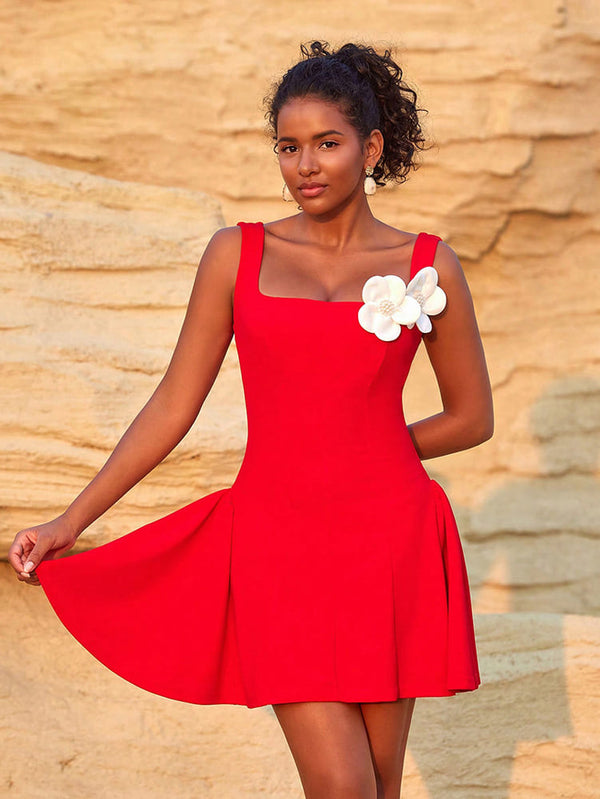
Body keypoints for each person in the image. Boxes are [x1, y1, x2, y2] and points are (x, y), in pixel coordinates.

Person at [8, 40, 493, 799]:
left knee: (380, 790)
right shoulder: (236, 255)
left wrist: (364, 449)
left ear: (370, 148)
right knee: (344, 787)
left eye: (326, 144)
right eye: (288, 146)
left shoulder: (426, 263)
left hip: (388, 541)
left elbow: (471, 417)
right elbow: (174, 402)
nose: (305, 165)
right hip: (278, 544)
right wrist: (73, 519)